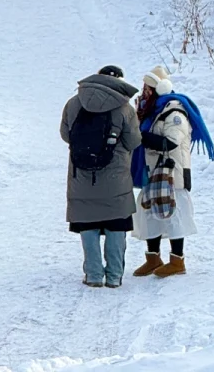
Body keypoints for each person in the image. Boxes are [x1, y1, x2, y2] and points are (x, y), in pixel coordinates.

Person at [60, 65, 142, 288]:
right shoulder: (125, 108)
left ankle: (94, 274)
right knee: (116, 225)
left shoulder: (74, 103)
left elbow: (66, 135)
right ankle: (114, 276)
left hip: (81, 177)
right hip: (115, 179)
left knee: (88, 224)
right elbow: (134, 141)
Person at [131, 65, 214, 278]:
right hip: (154, 171)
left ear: (159, 89)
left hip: (171, 173)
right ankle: (153, 258)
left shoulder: (174, 111)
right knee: (151, 212)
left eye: (148, 88)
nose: (144, 93)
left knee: (173, 214)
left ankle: (177, 261)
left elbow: (172, 141)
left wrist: (142, 137)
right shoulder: (154, 111)